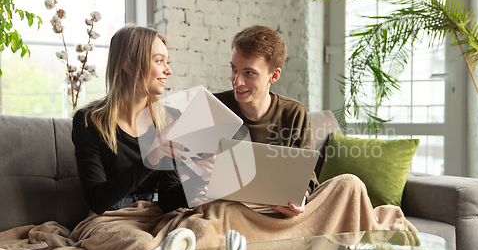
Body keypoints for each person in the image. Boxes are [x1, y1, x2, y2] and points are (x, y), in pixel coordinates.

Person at [72, 25, 209, 215]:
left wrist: (202, 178)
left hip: (153, 214)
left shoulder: (170, 118)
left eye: (166, 61)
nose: (168, 70)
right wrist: (150, 158)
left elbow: (168, 199)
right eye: (159, 61)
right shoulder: (88, 121)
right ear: (129, 66)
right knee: (142, 243)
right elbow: (97, 201)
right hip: (110, 217)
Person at [214, 25, 318, 217]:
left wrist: (300, 199)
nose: (237, 81)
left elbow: (307, 177)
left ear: (274, 75)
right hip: (227, 210)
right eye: (233, 69)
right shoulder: (214, 106)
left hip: (276, 210)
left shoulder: (294, 113)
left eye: (249, 73)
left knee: (348, 184)